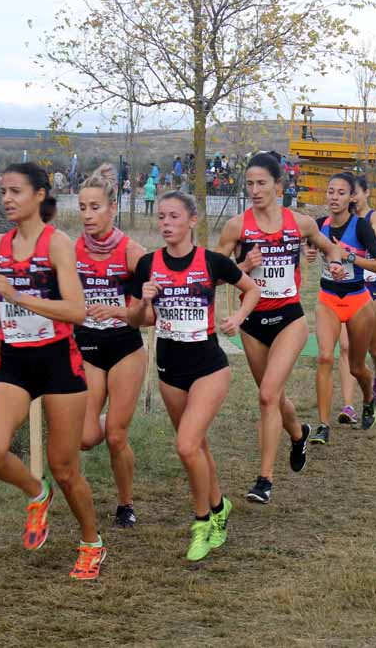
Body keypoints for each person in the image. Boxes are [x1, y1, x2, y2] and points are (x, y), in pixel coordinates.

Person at [0, 162, 105, 581]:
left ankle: (91, 543)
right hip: (15, 360)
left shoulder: (57, 245)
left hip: (57, 362)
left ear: (39, 196)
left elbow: (77, 311)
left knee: (65, 467)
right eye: (3, 192)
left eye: (16, 191)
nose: (7, 200)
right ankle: (36, 492)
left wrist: (22, 297)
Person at [126, 191, 260, 561]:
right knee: (197, 446)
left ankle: (202, 522)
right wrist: (145, 302)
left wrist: (237, 318)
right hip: (170, 369)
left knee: (186, 445)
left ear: (192, 221)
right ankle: (220, 507)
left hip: (209, 367)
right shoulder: (148, 266)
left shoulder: (212, 262)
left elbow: (251, 289)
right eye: (162, 217)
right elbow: (141, 321)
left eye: (173, 217)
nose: (165, 223)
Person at [216, 152, 344, 503]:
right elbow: (211, 272)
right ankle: (299, 432)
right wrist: (243, 263)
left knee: (267, 395)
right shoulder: (237, 226)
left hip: (290, 318)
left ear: (278, 185)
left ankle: (265, 480)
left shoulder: (300, 223)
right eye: (250, 184)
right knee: (275, 397)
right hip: (253, 323)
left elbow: (330, 248)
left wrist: (334, 264)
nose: (255, 190)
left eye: (261, 183)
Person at [74, 165, 149, 529]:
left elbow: (145, 318)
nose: (87, 215)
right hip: (87, 347)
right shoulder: (71, 251)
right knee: (88, 437)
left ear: (112, 208)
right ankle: (109, 416)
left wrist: (117, 310)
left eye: (95, 207)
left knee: (117, 437)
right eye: (83, 207)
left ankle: (125, 502)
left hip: (124, 348)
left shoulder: (131, 253)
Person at [306, 173, 376, 440]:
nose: (334, 197)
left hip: (358, 301)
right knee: (325, 357)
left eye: (341, 193)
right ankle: (323, 426)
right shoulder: (318, 226)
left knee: (356, 367)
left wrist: (349, 256)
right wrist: (307, 253)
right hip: (327, 300)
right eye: (331, 192)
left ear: (351, 197)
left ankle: (367, 399)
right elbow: (309, 249)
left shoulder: (361, 226)